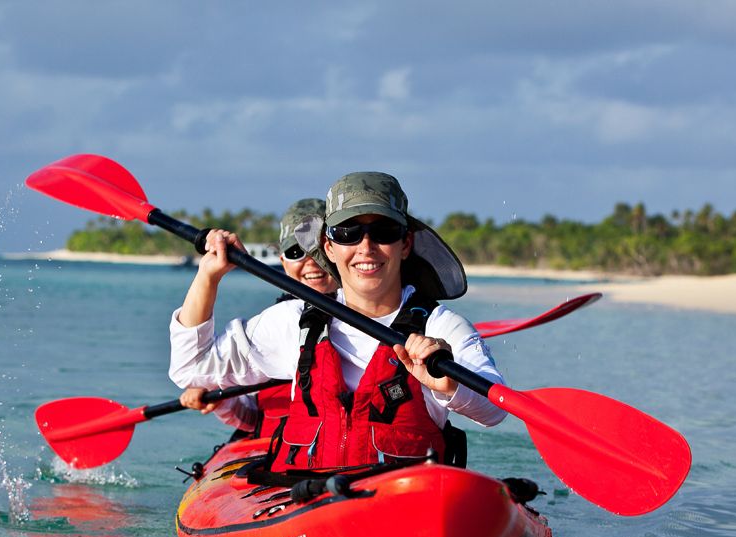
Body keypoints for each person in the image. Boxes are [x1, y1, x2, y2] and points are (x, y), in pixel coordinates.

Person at [169, 171, 504, 472]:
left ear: (405, 245)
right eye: (348, 233)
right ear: (329, 247)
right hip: (311, 508)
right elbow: (191, 367)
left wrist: (447, 383)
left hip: (403, 504)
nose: (366, 247)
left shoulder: (442, 328)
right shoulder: (294, 322)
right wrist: (208, 278)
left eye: (384, 232)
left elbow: (494, 410)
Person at [176, 197, 338, 435]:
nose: (311, 262)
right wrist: (221, 400)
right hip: (283, 450)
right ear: (283, 262)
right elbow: (251, 417)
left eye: (318, 250)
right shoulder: (277, 324)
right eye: (296, 252)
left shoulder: (382, 312)